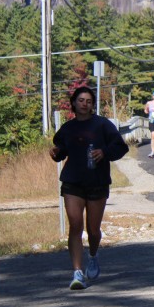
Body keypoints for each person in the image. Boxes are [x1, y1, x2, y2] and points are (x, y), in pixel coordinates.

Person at [50, 86, 129, 290]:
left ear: (93, 105)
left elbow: (121, 147)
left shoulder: (102, 125)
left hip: (97, 182)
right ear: (74, 103)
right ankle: (77, 273)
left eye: (88, 101)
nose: (84, 104)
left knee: (93, 230)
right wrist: (56, 153)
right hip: (72, 182)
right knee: (75, 226)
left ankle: (93, 255)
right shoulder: (68, 128)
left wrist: (104, 152)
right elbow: (61, 150)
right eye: (81, 100)